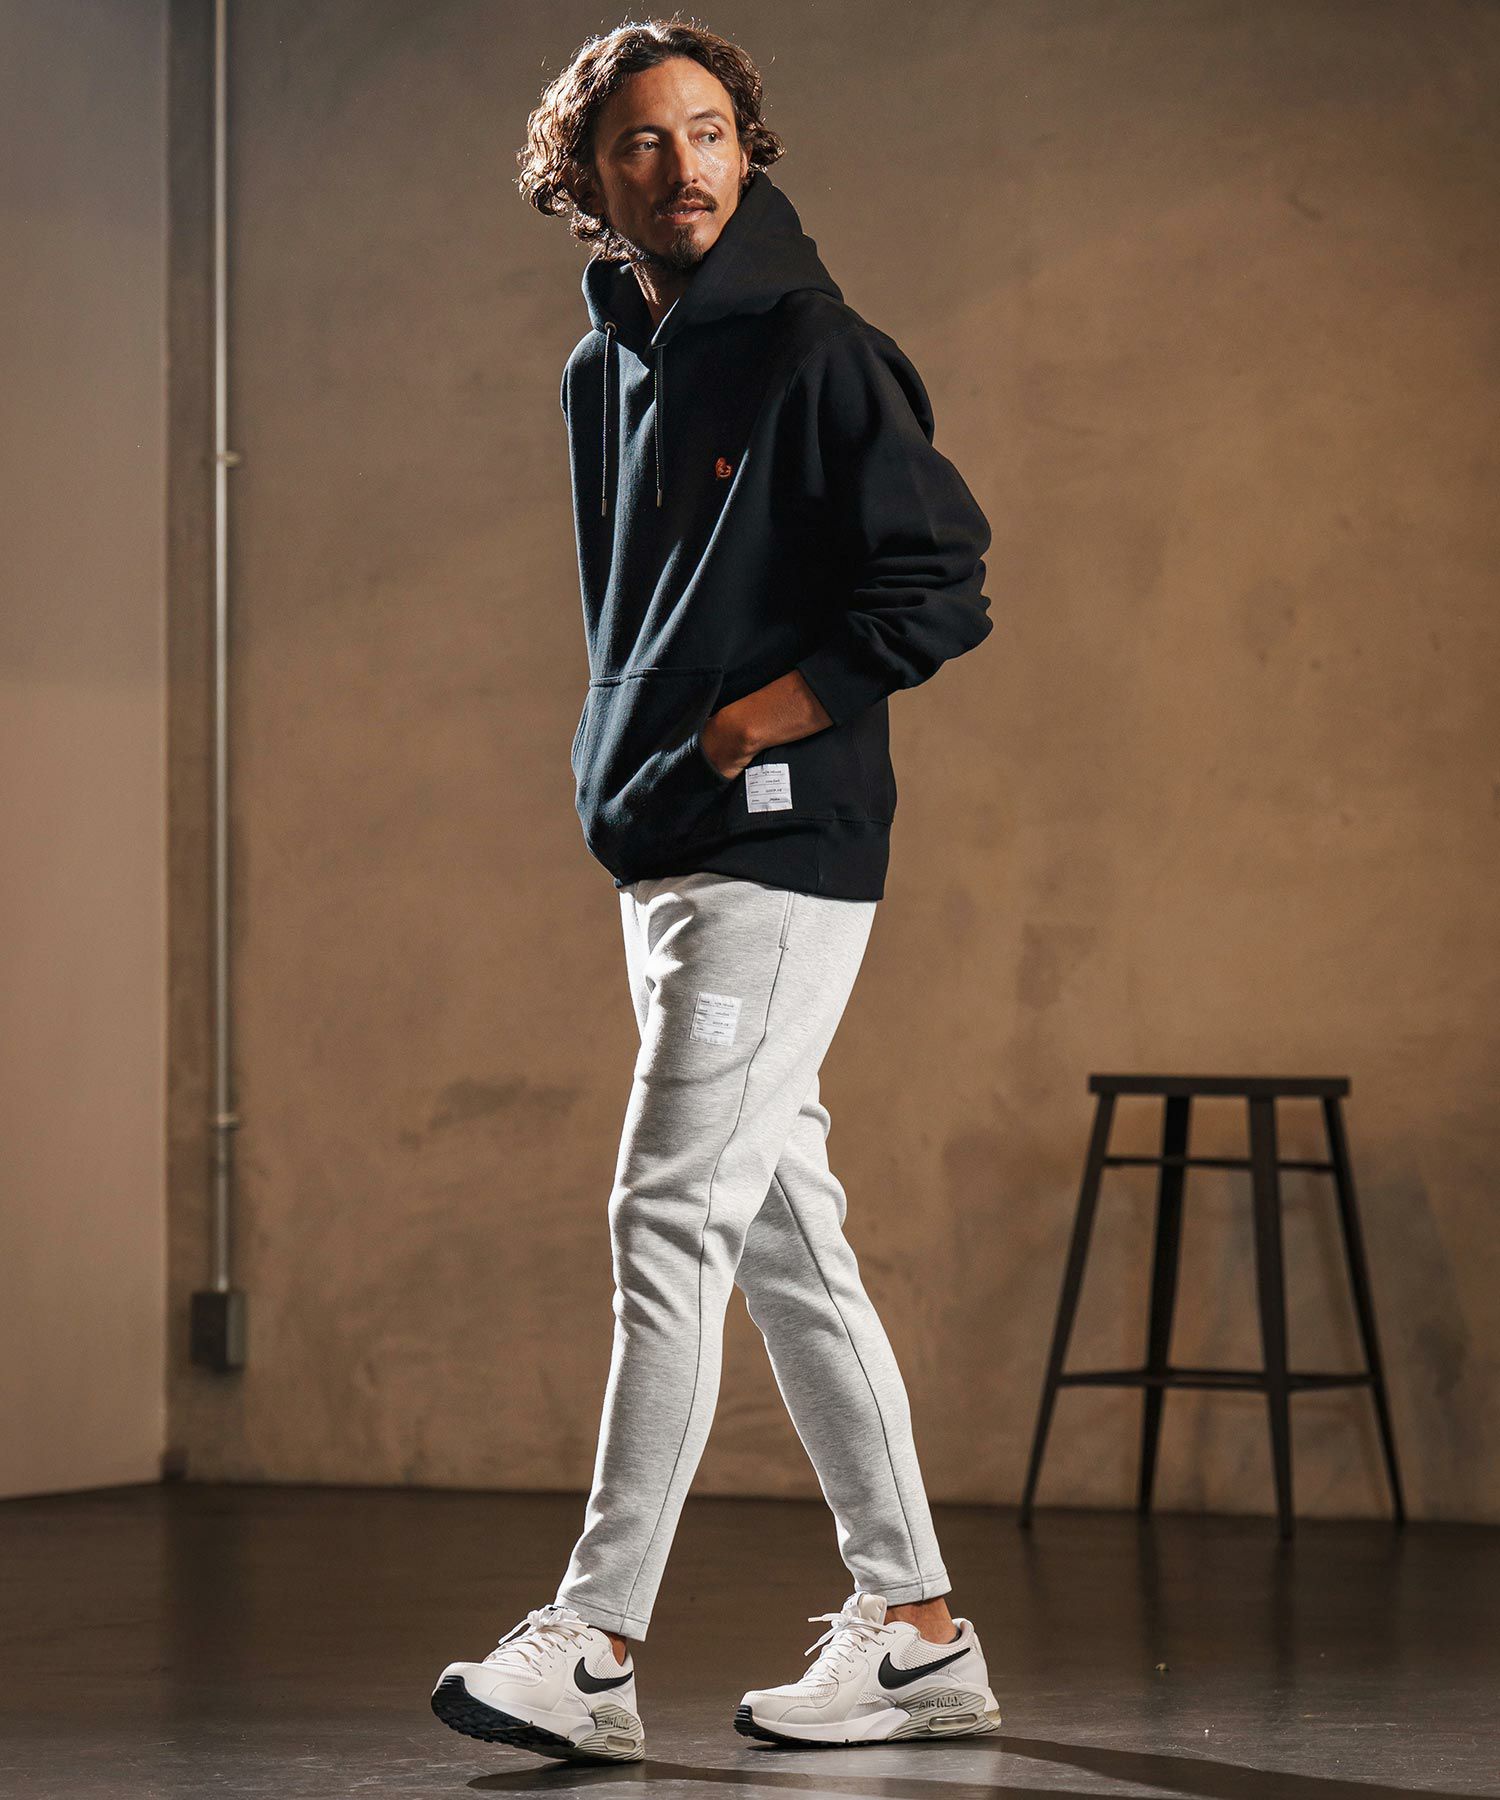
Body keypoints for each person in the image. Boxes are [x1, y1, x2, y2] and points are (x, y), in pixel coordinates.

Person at [431, 18, 1000, 1764]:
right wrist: (639, 757)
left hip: (781, 842)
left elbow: (939, 578)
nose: (679, 166)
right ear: (583, 179)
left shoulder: (822, 349)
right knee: (781, 1238)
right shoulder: (600, 374)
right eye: (638, 142)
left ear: (748, 150)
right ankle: (917, 1633)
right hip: (667, 841)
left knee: (666, 1212)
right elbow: (640, 613)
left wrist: (759, 717)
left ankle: (594, 1645)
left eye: (706, 133)